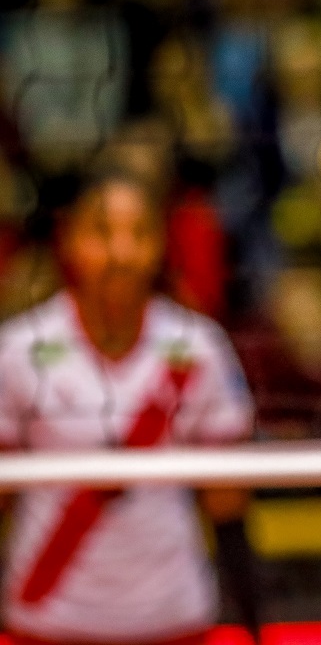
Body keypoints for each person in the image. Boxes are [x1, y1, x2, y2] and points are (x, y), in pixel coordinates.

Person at [0, 170, 261, 645]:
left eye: (139, 233)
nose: (121, 253)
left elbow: (228, 504)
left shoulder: (198, 346)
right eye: (102, 233)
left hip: (173, 619)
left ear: (160, 245)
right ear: (68, 240)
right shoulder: (20, 348)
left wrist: (257, 628)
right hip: (45, 625)